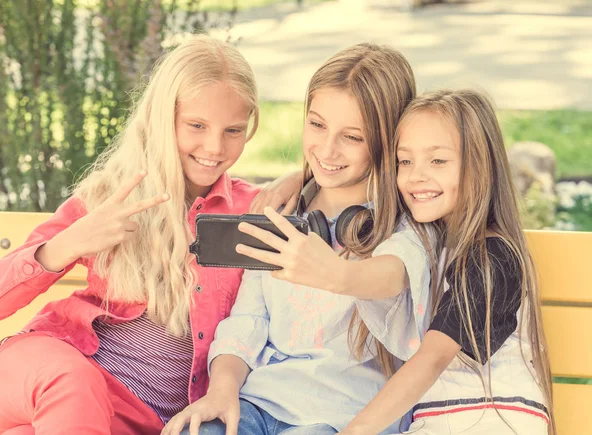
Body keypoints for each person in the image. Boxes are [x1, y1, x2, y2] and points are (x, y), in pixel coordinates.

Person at [0, 35, 297, 434]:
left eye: (233, 130)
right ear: (161, 118)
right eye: (197, 125)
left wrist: (302, 177)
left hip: (135, 418)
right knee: (73, 384)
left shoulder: (251, 211)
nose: (214, 146)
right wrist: (68, 244)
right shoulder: (110, 196)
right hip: (51, 369)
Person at [163, 43, 430, 435]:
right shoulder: (284, 212)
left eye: (352, 137)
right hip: (260, 402)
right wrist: (221, 391)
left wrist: (332, 271)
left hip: (341, 415)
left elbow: (391, 277)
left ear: (389, 141)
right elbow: (249, 319)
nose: (326, 149)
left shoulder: (403, 229)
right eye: (317, 125)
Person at [339, 89, 555, 435]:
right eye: (404, 161)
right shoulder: (426, 242)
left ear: (479, 165)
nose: (415, 176)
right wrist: (297, 180)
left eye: (437, 161)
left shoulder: (493, 256)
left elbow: (433, 358)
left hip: (491, 421)